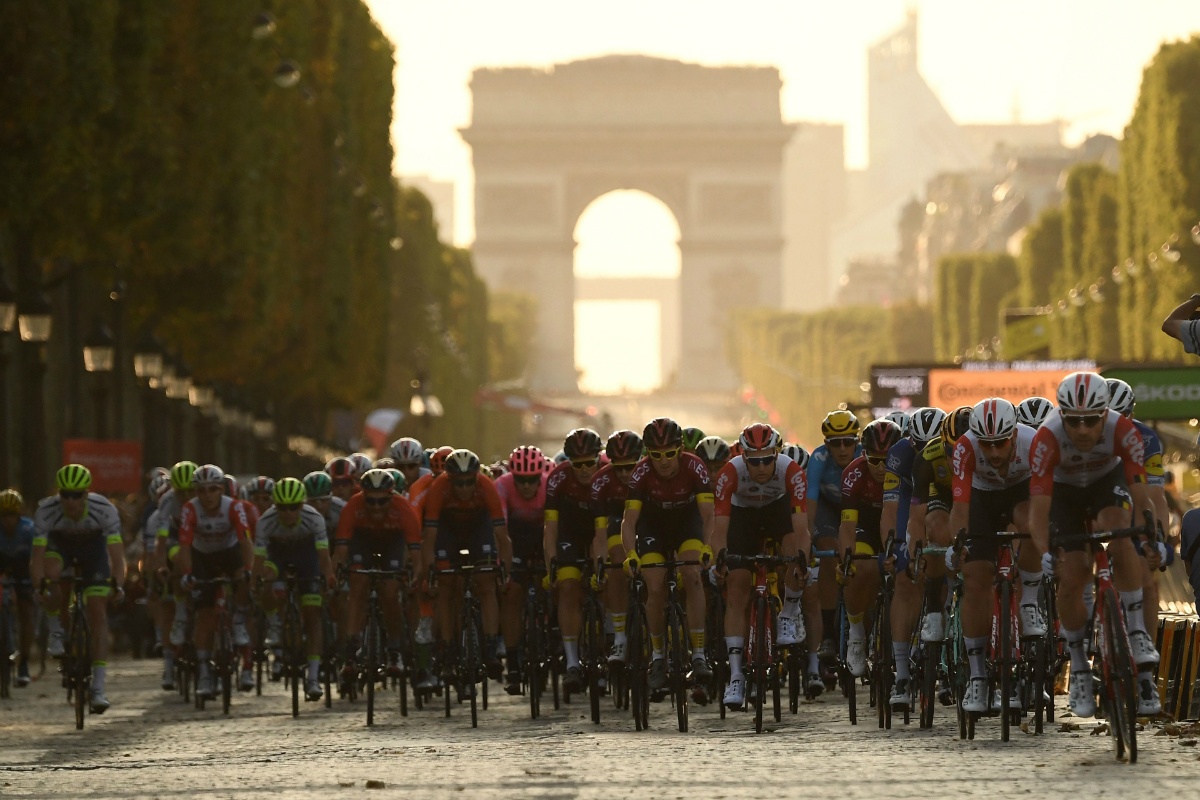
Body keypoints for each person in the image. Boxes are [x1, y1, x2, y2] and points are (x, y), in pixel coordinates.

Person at [1028, 372, 1160, 716]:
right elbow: (1038, 513)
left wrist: (1149, 536)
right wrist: (1045, 552)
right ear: (1062, 416)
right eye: (1074, 421)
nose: (1083, 430)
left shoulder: (1123, 431)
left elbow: (1141, 495)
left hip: (1106, 483)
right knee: (1073, 573)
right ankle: (1080, 668)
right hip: (1064, 494)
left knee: (1119, 532)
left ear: (1105, 414)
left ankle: (1136, 631)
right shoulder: (1046, 439)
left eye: (1091, 420)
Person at [948, 399, 1040, 713]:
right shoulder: (965, 448)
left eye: (1001, 443)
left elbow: (1047, 502)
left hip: (1021, 492)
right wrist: (957, 544)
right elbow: (959, 508)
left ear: (1014, 434)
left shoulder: (1032, 443)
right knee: (975, 578)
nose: (995, 452)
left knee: (1031, 525)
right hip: (980, 500)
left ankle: (1029, 600)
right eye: (987, 445)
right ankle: (977, 676)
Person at [710, 423, 809, 709]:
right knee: (738, 586)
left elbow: (802, 529)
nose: (762, 467)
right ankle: (737, 675)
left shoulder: (791, 471)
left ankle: (789, 613)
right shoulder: (730, 472)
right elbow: (719, 531)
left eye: (768, 459)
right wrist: (721, 561)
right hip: (742, 517)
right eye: (755, 461)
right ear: (743, 457)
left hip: (778, 510)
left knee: (792, 552)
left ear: (777, 455)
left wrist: (802, 561)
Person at [621, 417, 715, 692]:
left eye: (670, 454)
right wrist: (630, 554)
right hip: (654, 527)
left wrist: (708, 546)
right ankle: (658, 656)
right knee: (655, 585)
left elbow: (709, 515)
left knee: (692, 575)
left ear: (680, 449)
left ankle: (698, 654)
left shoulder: (695, 466)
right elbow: (629, 520)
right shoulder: (640, 473)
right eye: (656, 455)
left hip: (688, 524)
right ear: (647, 454)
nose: (663, 461)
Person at [31, 465, 125, 713]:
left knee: (97, 612)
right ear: (59, 494)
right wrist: (39, 585)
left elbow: (116, 555)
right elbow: (38, 557)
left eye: (77, 495)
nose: (70, 501)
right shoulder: (46, 511)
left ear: (86, 494)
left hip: (93, 552)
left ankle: (98, 689)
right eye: (65, 494)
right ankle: (55, 631)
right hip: (59, 547)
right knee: (51, 577)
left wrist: (118, 583)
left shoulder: (104, 509)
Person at [419, 452, 512, 687]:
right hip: (447, 531)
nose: (464, 487)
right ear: (449, 479)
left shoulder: (486, 486)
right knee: (446, 588)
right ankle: (449, 652)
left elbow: (502, 537)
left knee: (487, 585)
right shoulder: (439, 488)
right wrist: (430, 571)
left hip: (478, 528)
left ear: (476, 477)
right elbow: (429, 538)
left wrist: (505, 571)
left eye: (469, 481)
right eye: (458, 482)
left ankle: (490, 650)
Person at [879, 406, 945, 711]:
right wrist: (891, 550)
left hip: (945, 496)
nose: (924, 451)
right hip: (911, 498)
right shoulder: (899, 454)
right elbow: (891, 510)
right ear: (910, 440)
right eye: (918, 445)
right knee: (906, 580)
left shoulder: (958, 449)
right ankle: (902, 675)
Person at [334, 469, 422, 682]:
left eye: (381, 501)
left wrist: (417, 575)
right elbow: (341, 549)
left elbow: (416, 550)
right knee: (357, 585)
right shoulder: (353, 506)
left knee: (390, 592)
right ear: (362, 495)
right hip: (361, 541)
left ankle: (394, 649)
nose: (376, 507)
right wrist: (335, 572)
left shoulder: (403, 508)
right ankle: (351, 652)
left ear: (391, 496)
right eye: (370, 501)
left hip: (393, 542)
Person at [177, 464, 255, 697]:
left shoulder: (233, 506)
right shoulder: (190, 509)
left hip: (230, 552)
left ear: (221, 489)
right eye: (201, 490)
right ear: (196, 492)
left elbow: (245, 542)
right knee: (205, 614)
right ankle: (203, 673)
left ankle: (239, 618)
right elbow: (184, 547)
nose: (207, 495)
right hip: (202, 557)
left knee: (242, 576)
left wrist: (249, 570)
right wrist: (187, 573)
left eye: (212, 489)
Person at [254, 477, 332, 702]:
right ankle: (275, 623)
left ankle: (314, 678)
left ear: (302, 504)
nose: (288, 513)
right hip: (277, 555)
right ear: (274, 506)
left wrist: (328, 578)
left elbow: (324, 557)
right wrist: (255, 584)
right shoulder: (265, 521)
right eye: (282, 508)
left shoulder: (314, 518)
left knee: (312, 614)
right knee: (266, 579)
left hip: (307, 557)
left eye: (294, 507)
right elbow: (258, 561)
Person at [839, 420, 903, 678]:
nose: (881, 467)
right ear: (863, 455)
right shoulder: (853, 473)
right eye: (874, 460)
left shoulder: (907, 469)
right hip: (864, 523)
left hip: (897, 522)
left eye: (887, 460)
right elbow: (846, 526)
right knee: (860, 565)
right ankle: (856, 636)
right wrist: (846, 563)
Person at [544, 429, 605, 691]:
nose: (583, 469)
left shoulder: (607, 474)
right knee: (568, 588)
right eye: (576, 463)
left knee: (605, 584)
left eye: (589, 462)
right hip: (568, 530)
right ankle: (572, 663)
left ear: (598, 458)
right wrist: (551, 567)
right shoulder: (557, 478)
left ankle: (607, 653)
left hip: (600, 529)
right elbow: (550, 529)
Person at [807, 410, 862, 669]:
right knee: (828, 554)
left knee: (860, 558)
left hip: (859, 510)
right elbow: (810, 504)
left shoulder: (865, 457)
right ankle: (828, 634)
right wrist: (806, 538)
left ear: (857, 442)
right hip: (829, 511)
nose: (843, 449)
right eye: (836, 443)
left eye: (849, 442)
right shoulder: (817, 459)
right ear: (826, 444)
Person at [495, 444, 547, 694]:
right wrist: (503, 567)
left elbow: (555, 530)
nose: (527, 486)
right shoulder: (502, 486)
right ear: (512, 476)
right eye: (521, 480)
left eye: (532, 480)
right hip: (513, 539)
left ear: (540, 477)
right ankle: (513, 662)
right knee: (511, 592)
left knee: (550, 585)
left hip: (543, 537)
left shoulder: (549, 486)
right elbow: (501, 532)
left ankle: (551, 636)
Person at [591, 430, 643, 669]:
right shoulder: (601, 481)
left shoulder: (648, 474)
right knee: (617, 560)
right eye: (618, 467)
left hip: (649, 520)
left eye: (629, 467)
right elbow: (600, 533)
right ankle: (620, 638)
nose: (623, 473)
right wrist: (600, 566)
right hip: (616, 521)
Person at [150, 460, 197, 689]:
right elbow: (160, 541)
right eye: (182, 492)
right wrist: (160, 567)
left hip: (201, 541)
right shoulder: (168, 502)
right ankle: (169, 666)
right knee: (178, 561)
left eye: (192, 490)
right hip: (176, 541)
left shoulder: (205, 498)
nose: (188, 496)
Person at [0, 489, 35, 686]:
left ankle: (24, 663)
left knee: (26, 613)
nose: (8, 520)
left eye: (12, 514)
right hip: (2, 565)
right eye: (4, 515)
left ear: (19, 515)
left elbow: (36, 558)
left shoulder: (29, 530)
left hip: (24, 569)